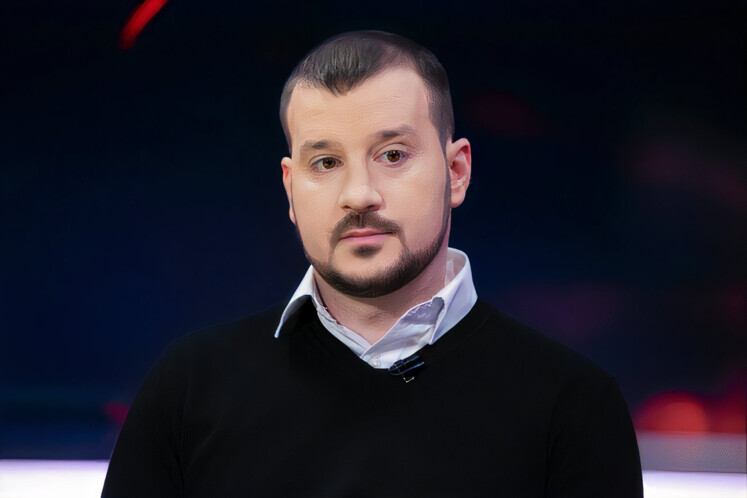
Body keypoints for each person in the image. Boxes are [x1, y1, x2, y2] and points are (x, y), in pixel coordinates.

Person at [102, 30, 643, 497]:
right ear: (290, 188)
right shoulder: (189, 388)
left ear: (456, 172)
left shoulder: (573, 407)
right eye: (326, 162)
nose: (359, 194)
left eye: (392, 155)